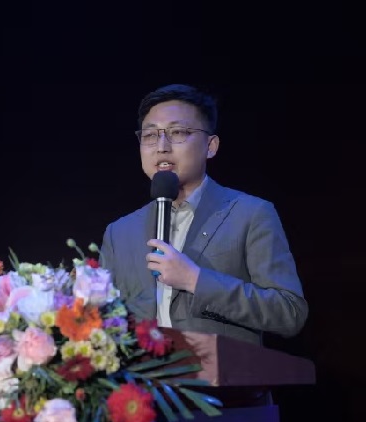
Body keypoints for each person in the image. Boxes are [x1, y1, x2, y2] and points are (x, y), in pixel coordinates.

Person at [100, 83, 308, 346]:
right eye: (150, 135)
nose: (162, 146)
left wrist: (196, 280)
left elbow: (290, 313)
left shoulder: (250, 214)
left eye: (177, 132)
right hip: (143, 373)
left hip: (223, 372)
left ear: (211, 146)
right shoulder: (119, 232)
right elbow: (103, 322)